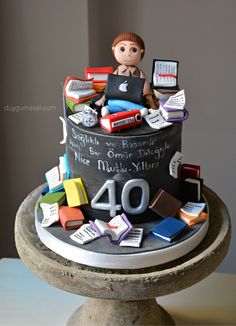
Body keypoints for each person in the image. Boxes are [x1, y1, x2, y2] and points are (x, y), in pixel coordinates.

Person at [95, 32, 157, 116]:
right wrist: (102, 99)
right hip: (118, 97)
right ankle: (139, 110)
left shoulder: (139, 73)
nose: (128, 54)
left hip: (134, 99)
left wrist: (151, 103)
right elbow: (110, 88)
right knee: (112, 101)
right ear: (114, 49)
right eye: (122, 49)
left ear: (141, 52)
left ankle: (109, 109)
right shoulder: (117, 71)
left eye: (134, 50)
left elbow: (146, 89)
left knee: (114, 103)